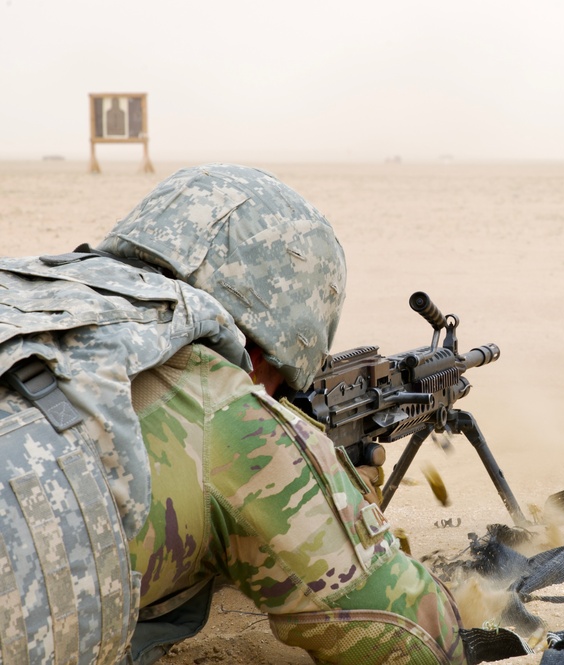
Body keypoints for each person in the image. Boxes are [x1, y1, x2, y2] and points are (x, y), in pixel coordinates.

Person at [0, 164, 465, 665]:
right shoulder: (224, 407)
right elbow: (413, 640)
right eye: (284, 390)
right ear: (271, 347)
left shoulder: (25, 293)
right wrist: (343, 503)